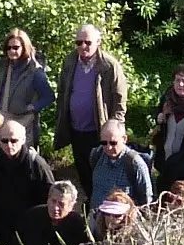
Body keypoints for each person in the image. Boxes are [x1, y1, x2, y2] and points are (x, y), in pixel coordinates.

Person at [53, 25, 129, 198]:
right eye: (79, 42)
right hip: (75, 129)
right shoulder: (70, 62)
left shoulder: (109, 66)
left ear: (98, 43)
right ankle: (90, 201)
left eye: (88, 42)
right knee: (82, 169)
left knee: (100, 171)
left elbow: (120, 100)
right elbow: (63, 91)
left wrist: (114, 128)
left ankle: (103, 204)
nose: (83, 46)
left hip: (99, 131)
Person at [16, 180, 95, 245]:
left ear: (71, 206)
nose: (55, 208)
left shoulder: (80, 226)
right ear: (48, 199)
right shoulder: (32, 216)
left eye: (61, 204)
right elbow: (18, 244)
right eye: (53, 201)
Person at [0, 30, 56, 150]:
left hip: (24, 125)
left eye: (16, 47)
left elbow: (49, 96)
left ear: (24, 47)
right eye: (9, 47)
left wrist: (32, 107)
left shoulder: (35, 71)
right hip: (2, 121)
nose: (12, 51)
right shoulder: (5, 67)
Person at [152, 66, 184, 189]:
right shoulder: (167, 99)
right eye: (177, 80)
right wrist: (159, 117)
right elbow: (159, 120)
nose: (180, 84)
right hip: (165, 161)